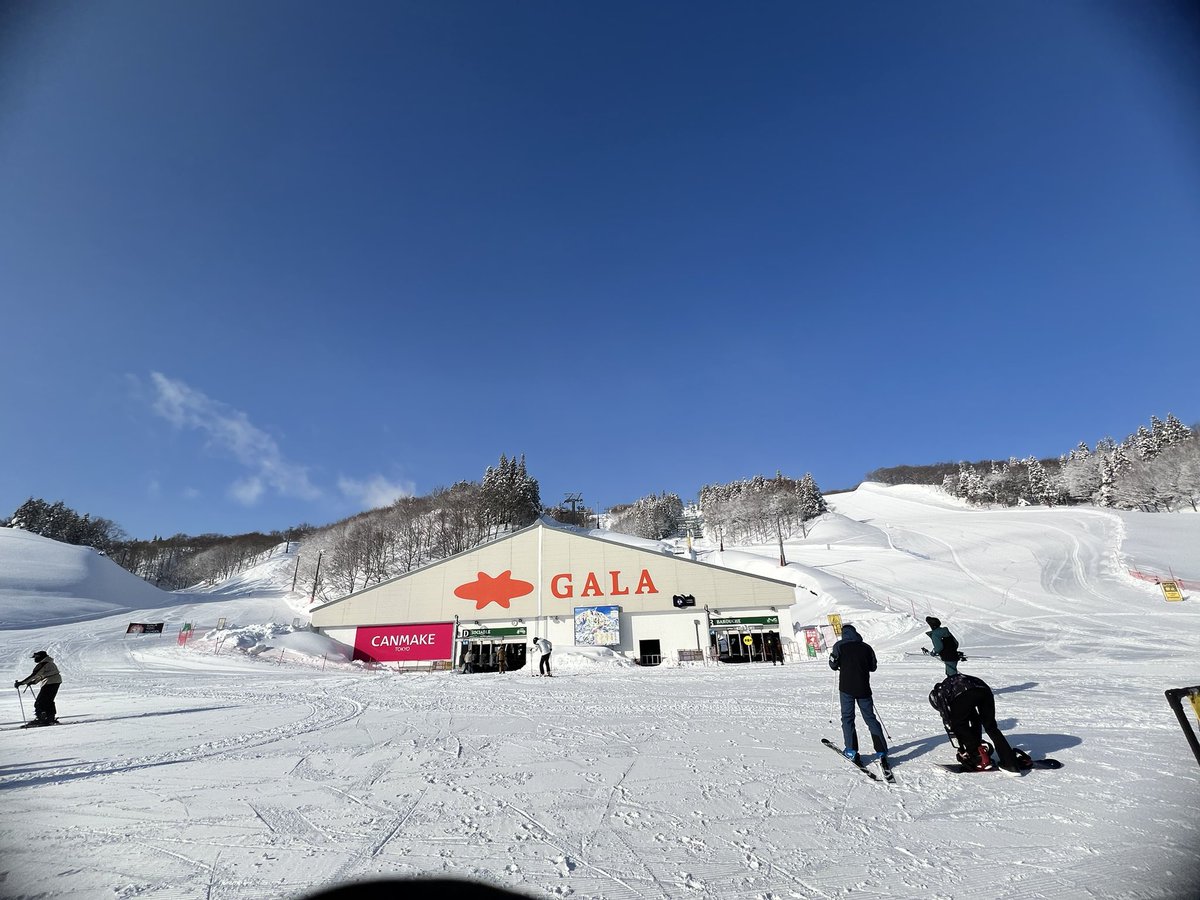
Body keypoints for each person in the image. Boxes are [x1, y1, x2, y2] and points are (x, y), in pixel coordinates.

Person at [929, 672, 1025, 774]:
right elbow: (975, 720)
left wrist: (962, 748)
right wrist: (977, 742)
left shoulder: (939, 695)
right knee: (991, 727)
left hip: (965, 693)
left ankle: (977, 758)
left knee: (958, 724)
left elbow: (950, 725)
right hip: (984, 690)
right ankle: (1010, 763)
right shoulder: (949, 686)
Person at [827, 624, 887, 765]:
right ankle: (882, 751)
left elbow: (833, 664)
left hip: (846, 688)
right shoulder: (866, 647)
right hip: (863, 687)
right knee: (870, 718)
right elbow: (873, 667)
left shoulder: (839, 646)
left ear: (844, 634)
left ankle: (851, 750)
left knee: (848, 718)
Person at [15, 650, 62, 727]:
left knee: (40, 702)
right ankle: (50, 718)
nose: (34, 659)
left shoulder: (43, 664)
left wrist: (21, 683)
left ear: (40, 657)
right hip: (56, 682)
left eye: (36, 657)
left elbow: (34, 675)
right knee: (49, 701)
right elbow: (44, 675)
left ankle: (41, 719)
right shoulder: (50, 663)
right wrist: (34, 682)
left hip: (49, 683)